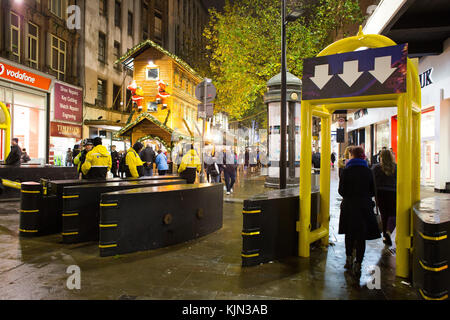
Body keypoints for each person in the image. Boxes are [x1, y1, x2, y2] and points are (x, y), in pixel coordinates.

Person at [338, 146, 381, 277]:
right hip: (364, 207)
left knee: (349, 233)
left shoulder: (346, 171)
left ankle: (349, 258)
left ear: (353, 156)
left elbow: (341, 191)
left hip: (349, 206)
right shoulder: (368, 171)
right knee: (361, 236)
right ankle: (358, 263)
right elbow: (373, 191)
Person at [372, 149, 397, 247]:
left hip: (380, 194)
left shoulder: (376, 168)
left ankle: (385, 237)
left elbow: (372, 180)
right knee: (393, 214)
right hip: (393, 193)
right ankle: (389, 232)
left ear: (380, 157)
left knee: (384, 215)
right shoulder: (396, 167)